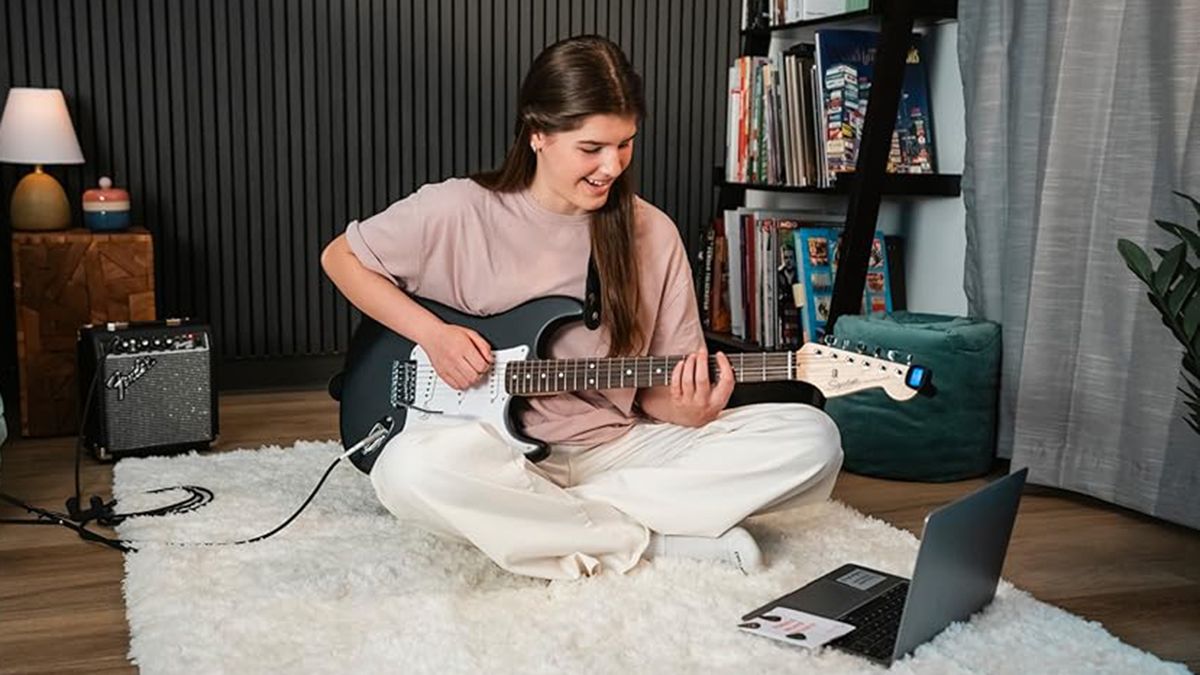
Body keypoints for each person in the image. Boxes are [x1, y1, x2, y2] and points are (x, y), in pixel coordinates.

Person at [320, 35, 842, 581]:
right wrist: (433, 334)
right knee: (407, 469)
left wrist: (688, 411)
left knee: (812, 441)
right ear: (538, 132)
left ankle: (551, 523)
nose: (611, 167)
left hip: (613, 449)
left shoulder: (651, 233)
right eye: (591, 148)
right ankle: (649, 540)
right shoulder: (457, 209)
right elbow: (341, 258)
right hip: (493, 449)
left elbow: (658, 395)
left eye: (626, 144)